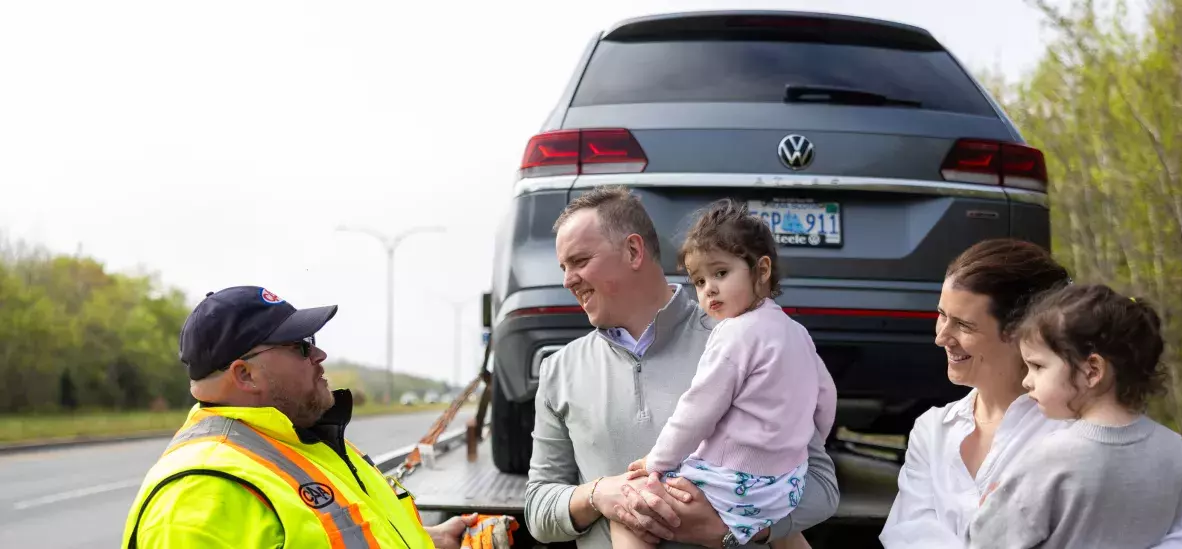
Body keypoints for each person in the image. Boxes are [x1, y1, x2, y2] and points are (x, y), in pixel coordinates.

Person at [524, 186, 840, 549]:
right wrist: (598, 495)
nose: (567, 279)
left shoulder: (745, 337)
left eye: (580, 261)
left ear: (633, 250)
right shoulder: (559, 370)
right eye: (563, 267)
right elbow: (537, 509)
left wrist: (736, 530)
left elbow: (820, 484)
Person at [878, 238, 1182, 548]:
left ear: (1021, 332)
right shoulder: (932, 429)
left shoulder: (1083, 439)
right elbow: (907, 531)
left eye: (964, 325)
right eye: (942, 315)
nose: (941, 336)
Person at [121, 286, 476, 549]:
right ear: (245, 375)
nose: (319, 353)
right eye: (301, 345)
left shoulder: (297, 441)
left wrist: (428, 540)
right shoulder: (198, 497)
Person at [611, 199, 837, 549]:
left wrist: (657, 461)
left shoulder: (734, 333)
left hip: (731, 484)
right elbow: (825, 400)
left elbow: (697, 412)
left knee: (628, 507)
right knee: (786, 533)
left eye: (721, 273)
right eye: (699, 281)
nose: (709, 289)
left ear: (761, 271)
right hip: (785, 486)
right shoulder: (798, 333)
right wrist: (795, 451)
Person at [967, 283, 1182, 548]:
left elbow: (985, 541)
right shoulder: (1175, 450)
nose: (1028, 381)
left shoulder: (1049, 459)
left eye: (1038, 366)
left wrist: (986, 512)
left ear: (1092, 371)